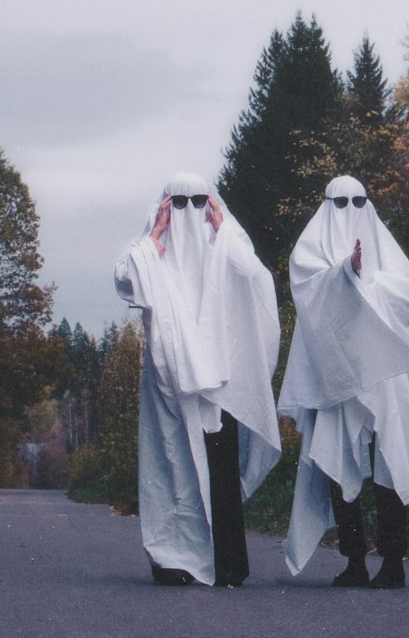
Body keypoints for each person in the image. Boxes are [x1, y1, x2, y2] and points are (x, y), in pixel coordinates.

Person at [114, 171, 281, 588]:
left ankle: (227, 562)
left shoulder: (223, 244)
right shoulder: (153, 251)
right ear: (166, 208)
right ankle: (173, 558)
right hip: (169, 380)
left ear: (211, 204)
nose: (190, 212)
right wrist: (154, 234)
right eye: (180, 203)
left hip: (218, 380)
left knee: (220, 469)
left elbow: (256, 278)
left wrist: (223, 231)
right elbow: (124, 278)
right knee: (172, 463)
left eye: (198, 201)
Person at [278, 174, 409, 589]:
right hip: (337, 378)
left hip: (383, 378)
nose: (350, 212)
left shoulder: (386, 253)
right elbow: (309, 291)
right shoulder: (311, 253)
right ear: (327, 205)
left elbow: (408, 292)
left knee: (389, 460)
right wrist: (345, 272)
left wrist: (363, 280)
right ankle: (355, 560)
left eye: (359, 202)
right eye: (340, 204)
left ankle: (393, 560)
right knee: (339, 464)